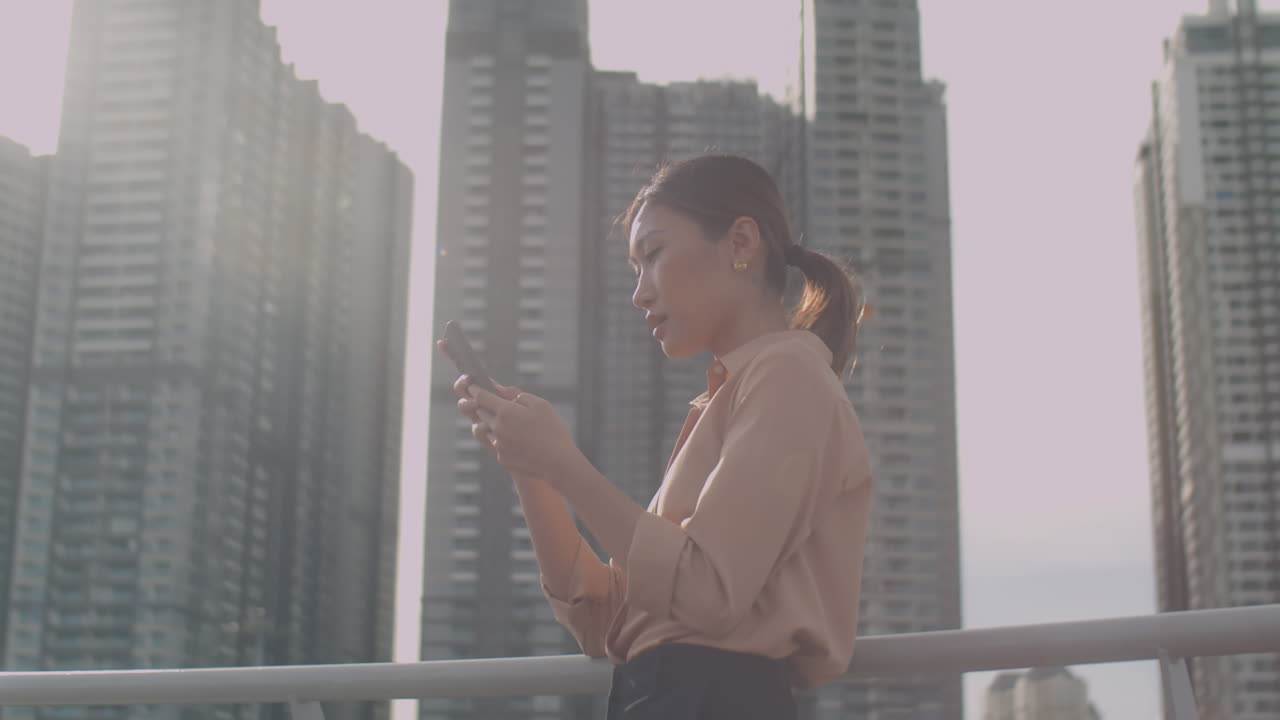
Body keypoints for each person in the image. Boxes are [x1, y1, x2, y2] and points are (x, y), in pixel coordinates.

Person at [440, 154, 873, 719]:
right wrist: (534, 470)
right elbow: (605, 621)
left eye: (654, 254)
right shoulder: (727, 397)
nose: (639, 293)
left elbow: (707, 592)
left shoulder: (788, 375)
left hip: (717, 699)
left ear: (742, 242)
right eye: (634, 268)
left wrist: (563, 462)